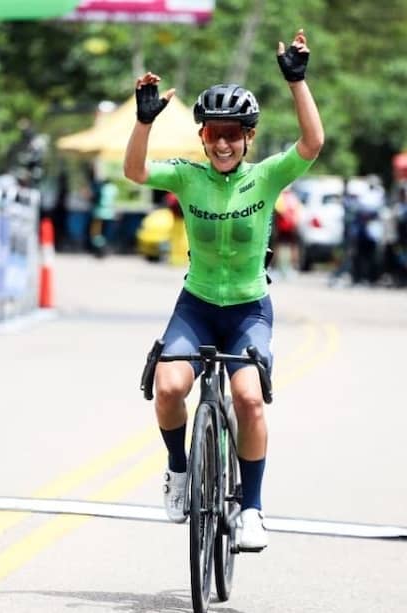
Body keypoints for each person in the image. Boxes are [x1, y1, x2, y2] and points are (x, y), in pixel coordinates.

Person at [124, 29, 323, 551]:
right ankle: (178, 469)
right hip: (197, 307)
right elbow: (135, 170)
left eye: (233, 133)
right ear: (203, 136)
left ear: (248, 137)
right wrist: (144, 121)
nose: (223, 143)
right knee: (169, 387)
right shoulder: (188, 177)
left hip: (248, 309)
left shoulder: (267, 176)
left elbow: (311, 145)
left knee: (248, 399)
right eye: (215, 133)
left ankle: (251, 508)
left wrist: (297, 82)